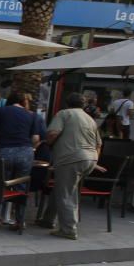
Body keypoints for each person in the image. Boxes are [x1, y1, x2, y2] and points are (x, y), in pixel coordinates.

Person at [36, 93, 102, 239]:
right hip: (90, 158)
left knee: (66, 193)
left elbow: (53, 133)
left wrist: (47, 143)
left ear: (67, 103)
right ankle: (48, 219)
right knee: (62, 188)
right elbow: (98, 144)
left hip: (71, 158)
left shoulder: (64, 113)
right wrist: (94, 160)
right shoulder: (90, 119)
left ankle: (68, 229)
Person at [0, 92, 39, 228]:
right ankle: (20, 221)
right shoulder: (32, 115)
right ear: (23, 102)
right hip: (25, 152)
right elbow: (35, 139)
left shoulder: (2, 110)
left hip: (6, 151)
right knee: (21, 187)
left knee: (2, 184)